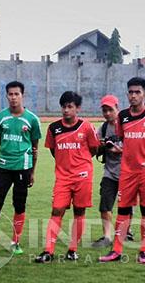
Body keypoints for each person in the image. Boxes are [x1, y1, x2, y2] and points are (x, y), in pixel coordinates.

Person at [99, 77, 145, 264]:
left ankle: (143, 251)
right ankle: (116, 250)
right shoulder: (122, 116)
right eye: (130, 92)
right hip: (127, 170)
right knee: (123, 210)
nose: (133, 95)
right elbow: (124, 140)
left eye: (137, 92)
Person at [0, 81, 41, 258]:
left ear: (22, 95)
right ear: (6, 96)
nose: (13, 98)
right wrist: (9, 152)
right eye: (10, 94)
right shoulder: (0, 118)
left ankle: (15, 242)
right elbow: (0, 138)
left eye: (16, 94)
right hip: (4, 166)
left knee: (19, 206)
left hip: (23, 168)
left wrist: (32, 172)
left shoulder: (32, 119)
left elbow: (35, 147)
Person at [35, 91, 99, 263]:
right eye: (63, 107)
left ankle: (72, 249)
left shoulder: (87, 127)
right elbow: (53, 149)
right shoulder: (54, 128)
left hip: (83, 176)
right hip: (63, 177)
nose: (66, 110)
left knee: (80, 210)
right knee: (57, 210)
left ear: (77, 108)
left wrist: (81, 162)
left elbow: (94, 148)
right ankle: (48, 251)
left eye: (70, 107)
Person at [91, 95, 133, 248]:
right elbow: (95, 149)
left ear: (117, 107)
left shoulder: (127, 125)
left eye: (110, 110)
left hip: (128, 173)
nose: (107, 113)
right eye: (104, 110)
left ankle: (125, 233)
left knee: (126, 206)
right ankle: (107, 237)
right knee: (105, 205)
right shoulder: (102, 128)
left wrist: (120, 149)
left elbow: (136, 147)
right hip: (109, 173)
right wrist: (102, 146)